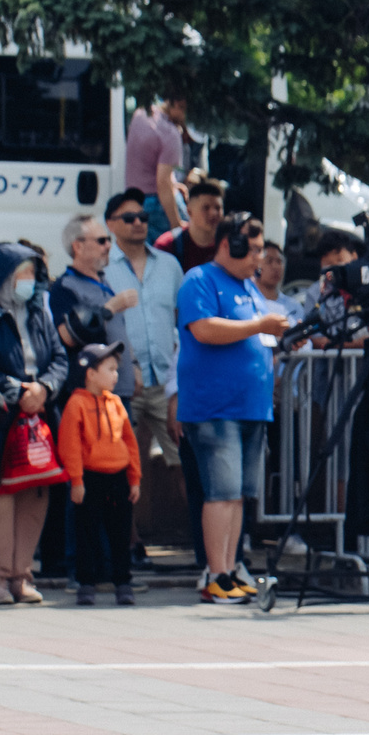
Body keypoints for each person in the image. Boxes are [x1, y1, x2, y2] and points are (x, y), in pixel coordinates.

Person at [177, 215, 287, 602]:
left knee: (238, 495)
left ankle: (230, 567)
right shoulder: (199, 279)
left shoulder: (248, 286)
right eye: (252, 250)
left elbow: (256, 334)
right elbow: (204, 328)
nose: (258, 258)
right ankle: (216, 573)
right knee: (220, 493)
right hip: (215, 406)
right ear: (228, 244)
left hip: (250, 406)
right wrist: (259, 326)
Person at [0, 242, 70, 605]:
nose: (29, 280)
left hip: (40, 416)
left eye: (33, 273)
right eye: (22, 273)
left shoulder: (39, 311)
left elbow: (59, 358)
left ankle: (21, 575)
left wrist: (45, 388)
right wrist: (16, 391)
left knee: (34, 497)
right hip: (2, 417)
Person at [60, 341, 142, 604]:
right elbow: (70, 445)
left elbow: (130, 442)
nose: (116, 375)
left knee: (120, 533)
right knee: (86, 532)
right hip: (90, 477)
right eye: (110, 369)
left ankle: (123, 582)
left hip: (118, 476)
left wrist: (134, 478)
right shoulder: (76, 403)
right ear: (91, 374)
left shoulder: (116, 403)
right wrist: (76, 480)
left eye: (116, 369)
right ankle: (86, 582)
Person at [104, 191, 178, 461]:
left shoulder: (169, 265)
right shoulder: (102, 268)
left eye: (143, 217)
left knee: (184, 461)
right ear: (110, 224)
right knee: (122, 465)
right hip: (122, 384)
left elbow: (182, 319)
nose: (138, 222)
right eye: (129, 218)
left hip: (166, 383)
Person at [126, 96, 190, 235]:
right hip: (156, 203)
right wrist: (176, 224)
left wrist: (173, 184)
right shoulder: (170, 133)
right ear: (178, 103)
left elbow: (147, 164)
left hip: (134, 200)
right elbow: (163, 182)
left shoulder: (141, 113)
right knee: (182, 241)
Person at [156, 177, 224, 274]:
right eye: (206, 208)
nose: (213, 213)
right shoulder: (167, 246)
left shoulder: (227, 246)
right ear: (189, 211)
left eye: (218, 208)